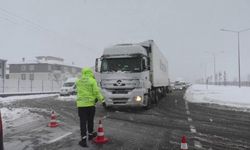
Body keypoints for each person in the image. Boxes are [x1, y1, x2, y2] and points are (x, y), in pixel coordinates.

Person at [76, 67, 104, 147]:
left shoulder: (78, 81)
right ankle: (91, 134)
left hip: (81, 106)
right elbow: (96, 92)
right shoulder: (92, 80)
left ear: (83, 73)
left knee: (83, 122)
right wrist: (102, 100)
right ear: (90, 73)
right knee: (90, 120)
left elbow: (78, 91)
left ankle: (83, 140)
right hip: (90, 105)